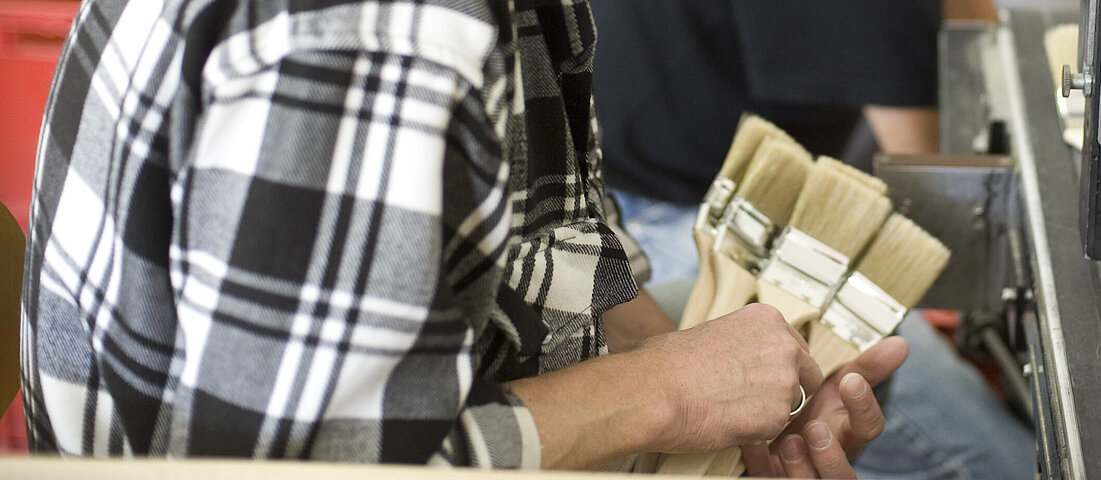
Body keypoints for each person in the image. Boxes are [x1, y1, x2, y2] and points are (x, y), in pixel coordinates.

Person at [20, 0, 903, 476]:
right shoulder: (383, 32)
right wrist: (662, 394)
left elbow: (547, 233)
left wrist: (707, 396)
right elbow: (298, 473)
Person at [591, 1, 1038, 478]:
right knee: (998, 464)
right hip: (648, 214)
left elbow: (975, 25)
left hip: (679, 169)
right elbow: (939, 197)